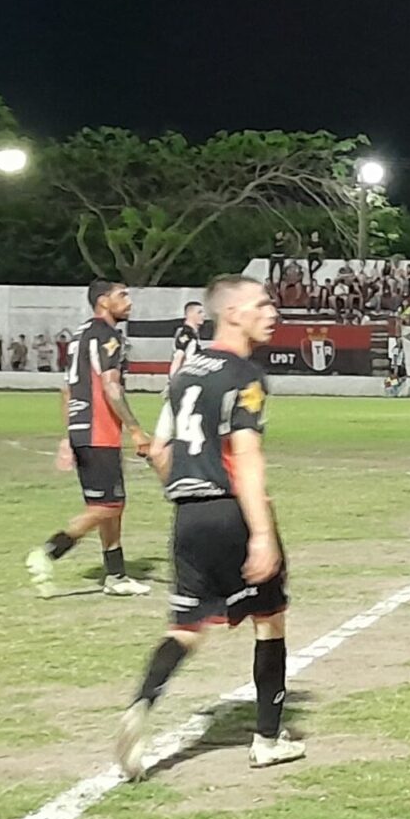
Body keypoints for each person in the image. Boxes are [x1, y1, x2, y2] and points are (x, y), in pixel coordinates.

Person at [119, 274, 304, 778]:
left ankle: (141, 704)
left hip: (189, 515)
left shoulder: (183, 374)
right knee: (270, 621)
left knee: (186, 628)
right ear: (232, 313)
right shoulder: (245, 376)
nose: (272, 313)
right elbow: (246, 456)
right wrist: (261, 533)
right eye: (262, 305)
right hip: (232, 510)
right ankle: (267, 738)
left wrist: (185, 490)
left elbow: (158, 451)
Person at [25, 279, 153, 599]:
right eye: (121, 295)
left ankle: (116, 575)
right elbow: (112, 387)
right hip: (100, 431)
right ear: (103, 302)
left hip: (83, 429)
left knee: (110, 505)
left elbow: (67, 389)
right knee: (108, 506)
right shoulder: (108, 335)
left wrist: (68, 436)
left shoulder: (80, 336)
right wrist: (136, 429)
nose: (129, 301)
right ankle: (49, 552)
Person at [170, 300, 205, 377]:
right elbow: (178, 358)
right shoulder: (186, 334)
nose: (203, 315)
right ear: (190, 314)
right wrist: (173, 380)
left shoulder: (192, 334)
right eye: (199, 312)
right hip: (185, 378)